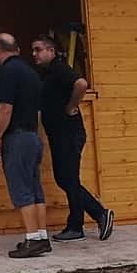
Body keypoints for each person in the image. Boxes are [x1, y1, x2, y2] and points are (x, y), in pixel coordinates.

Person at [30, 34, 112, 242]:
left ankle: (89, 219)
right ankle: (90, 218)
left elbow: (82, 84)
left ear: (51, 51)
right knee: (65, 179)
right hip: (58, 134)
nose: (34, 54)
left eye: (38, 50)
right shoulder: (47, 73)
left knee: (68, 179)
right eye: (33, 50)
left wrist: (71, 106)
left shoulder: (59, 69)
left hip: (69, 133)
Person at [0, 32, 49, 258]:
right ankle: (42, 236)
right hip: (33, 135)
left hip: (17, 136)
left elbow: (6, 107)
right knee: (35, 188)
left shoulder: (7, 72)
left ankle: (32, 239)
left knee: (21, 188)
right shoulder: (31, 73)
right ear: (18, 49)